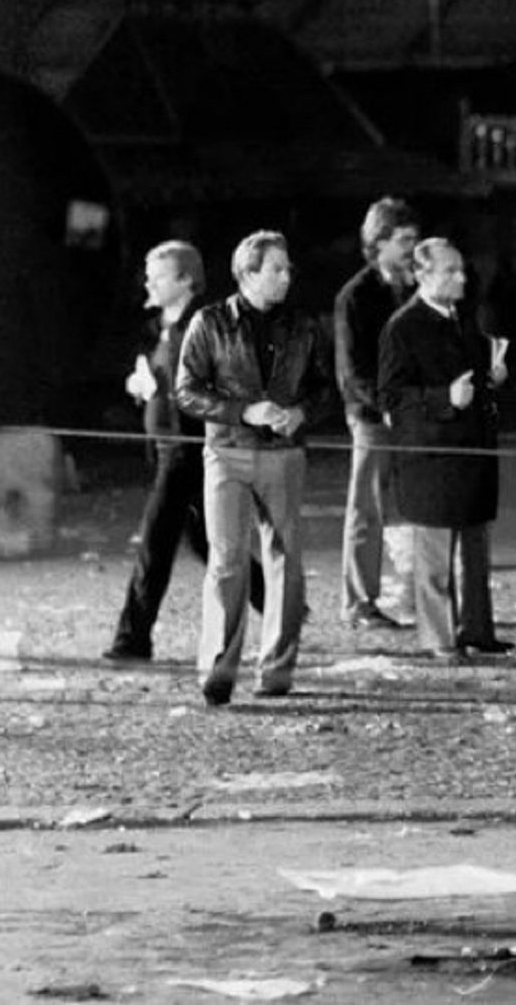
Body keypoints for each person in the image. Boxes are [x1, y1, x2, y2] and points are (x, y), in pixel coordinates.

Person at [176, 230, 331, 707]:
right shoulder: (209, 323)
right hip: (227, 452)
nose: (286, 276)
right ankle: (218, 669)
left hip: (284, 454)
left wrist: (301, 414)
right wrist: (244, 411)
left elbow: (325, 389)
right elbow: (186, 389)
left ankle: (277, 670)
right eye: (276, 269)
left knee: (287, 561)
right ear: (247, 273)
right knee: (226, 561)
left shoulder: (303, 326)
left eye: (287, 268)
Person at [104, 241, 264, 664]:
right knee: (210, 544)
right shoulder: (159, 325)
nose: (148, 283)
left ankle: (132, 640)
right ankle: (283, 604)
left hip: (189, 451)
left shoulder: (204, 324)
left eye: (158, 276)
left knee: (155, 544)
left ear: (185, 280)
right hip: (167, 448)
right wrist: (140, 388)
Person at [380, 237, 514, 661]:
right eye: (449, 271)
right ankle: (439, 638)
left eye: (461, 270)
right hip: (432, 457)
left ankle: (477, 630)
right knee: (435, 557)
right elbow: (391, 398)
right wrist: (443, 398)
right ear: (422, 275)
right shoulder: (402, 327)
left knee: (475, 552)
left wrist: (493, 376)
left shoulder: (465, 319)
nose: (461, 278)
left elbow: (475, 381)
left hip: (472, 451)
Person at [334, 197, 420, 631]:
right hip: (374, 418)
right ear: (379, 242)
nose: (412, 247)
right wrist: (386, 407)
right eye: (403, 240)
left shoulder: (413, 289)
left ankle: (422, 594)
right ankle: (358, 602)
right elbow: (352, 371)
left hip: (413, 413)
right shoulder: (356, 296)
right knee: (367, 507)